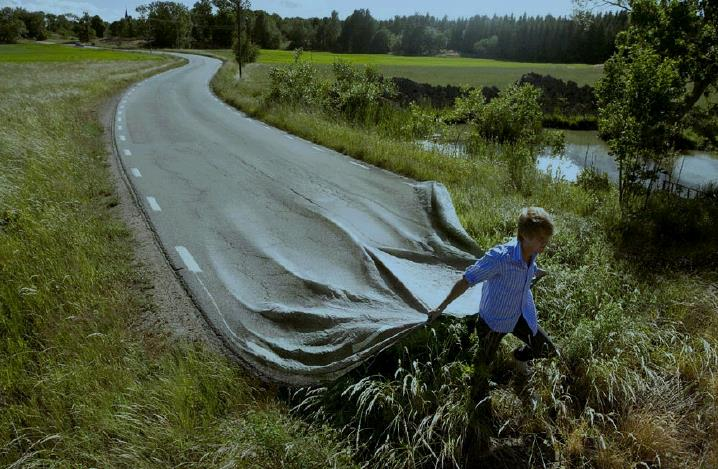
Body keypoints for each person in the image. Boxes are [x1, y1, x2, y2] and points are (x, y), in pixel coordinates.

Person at [427, 206, 557, 373]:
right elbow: (467, 279)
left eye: (546, 240)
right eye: (541, 240)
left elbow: (524, 269)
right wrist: (441, 307)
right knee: (483, 366)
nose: (545, 245)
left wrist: (536, 271)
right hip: (493, 322)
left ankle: (519, 357)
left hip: (520, 314)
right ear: (525, 235)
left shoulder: (532, 251)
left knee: (547, 349)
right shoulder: (500, 258)